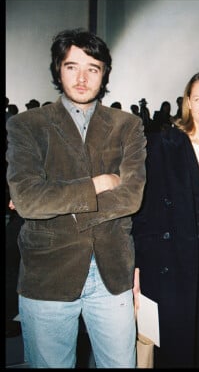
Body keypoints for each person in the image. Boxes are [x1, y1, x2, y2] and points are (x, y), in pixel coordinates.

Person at [5, 28, 147, 368]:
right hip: (48, 274)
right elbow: (27, 199)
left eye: (93, 69)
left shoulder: (127, 125)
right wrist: (99, 182)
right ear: (58, 69)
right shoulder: (27, 125)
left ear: (104, 74)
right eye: (72, 67)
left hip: (112, 275)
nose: (82, 78)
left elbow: (131, 197)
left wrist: (62, 206)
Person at [132, 71, 199, 368]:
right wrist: (136, 267)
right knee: (172, 354)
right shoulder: (160, 145)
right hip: (169, 268)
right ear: (187, 102)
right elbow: (142, 213)